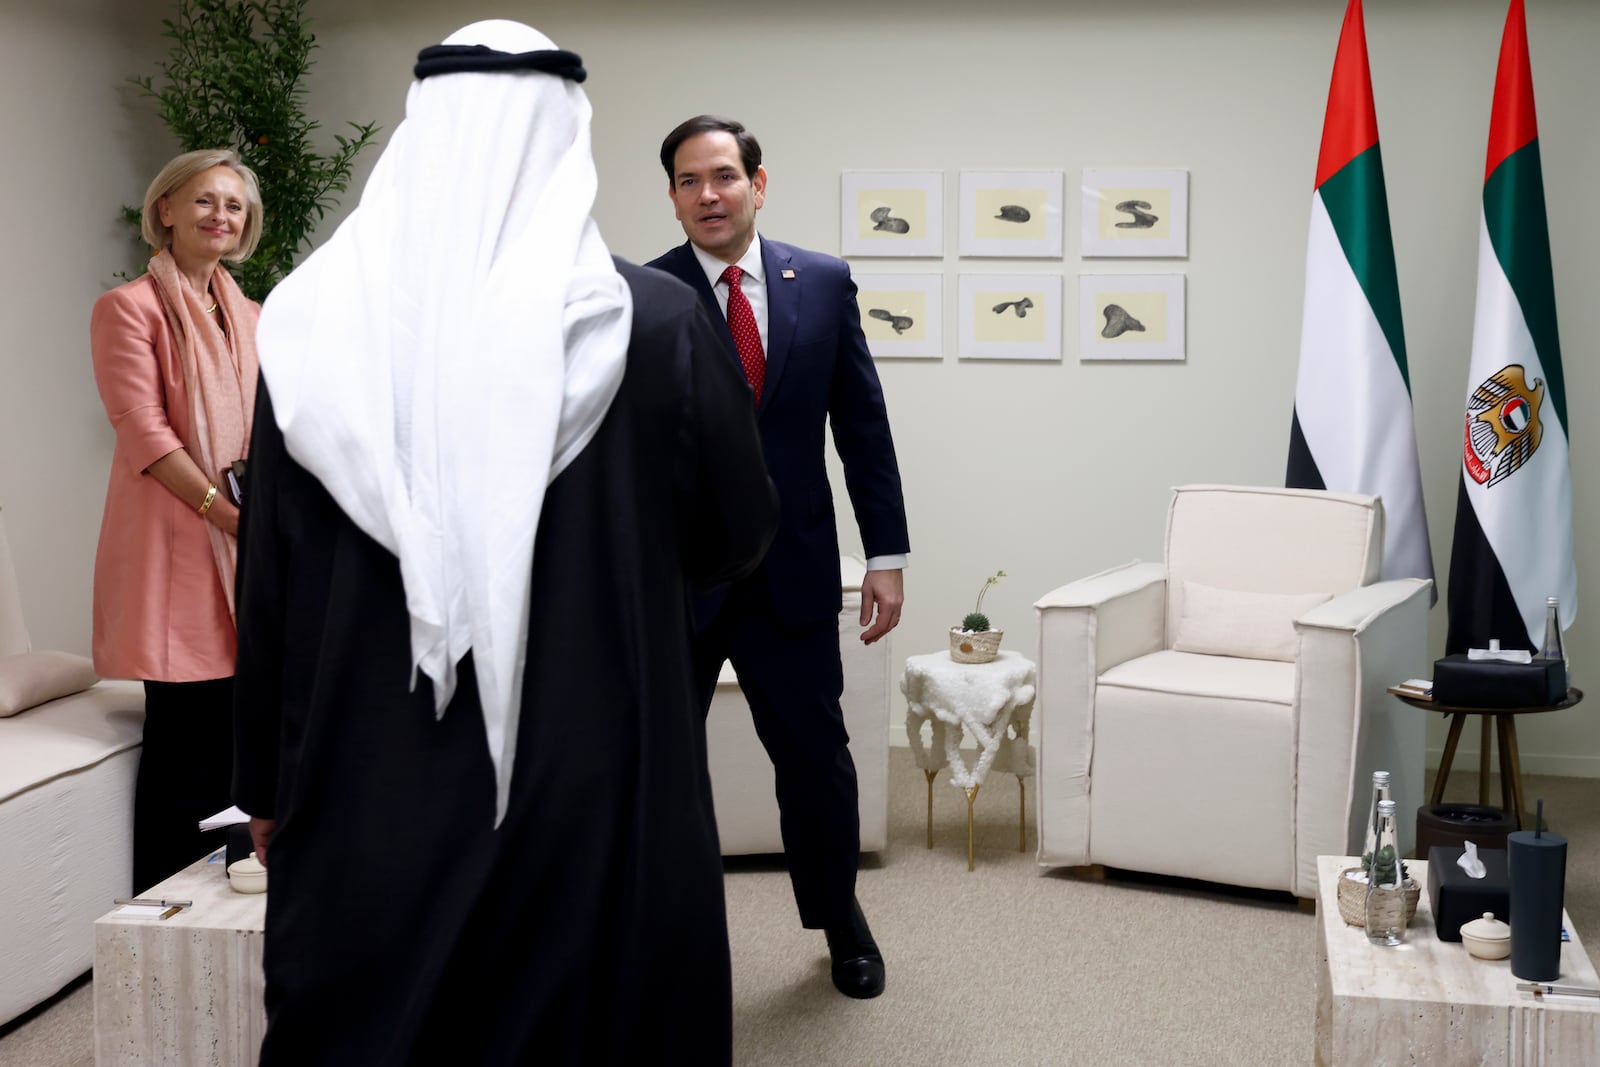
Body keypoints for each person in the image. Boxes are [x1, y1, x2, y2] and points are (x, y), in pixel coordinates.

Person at [231, 21, 776, 1064]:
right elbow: (739, 529)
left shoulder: (308, 328)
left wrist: (266, 783)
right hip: (598, 755)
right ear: (565, 140)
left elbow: (271, 580)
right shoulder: (656, 321)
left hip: (364, 761)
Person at [648, 115, 910, 1000]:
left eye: (723, 175)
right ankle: (661, 935)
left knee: (814, 760)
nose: (708, 194)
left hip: (792, 574)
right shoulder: (645, 294)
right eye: (689, 181)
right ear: (675, 196)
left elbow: (862, 427)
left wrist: (886, 553)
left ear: (758, 184)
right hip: (675, 583)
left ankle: (840, 919)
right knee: (657, 767)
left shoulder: (824, 282)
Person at [90, 148, 263, 893]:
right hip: (175, 540)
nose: (220, 216)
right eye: (204, 201)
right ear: (164, 209)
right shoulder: (127, 308)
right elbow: (145, 430)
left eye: (232, 206)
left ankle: (224, 899)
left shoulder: (251, 313)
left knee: (235, 729)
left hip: (241, 545)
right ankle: (161, 905)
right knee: (182, 735)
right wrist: (224, 514)